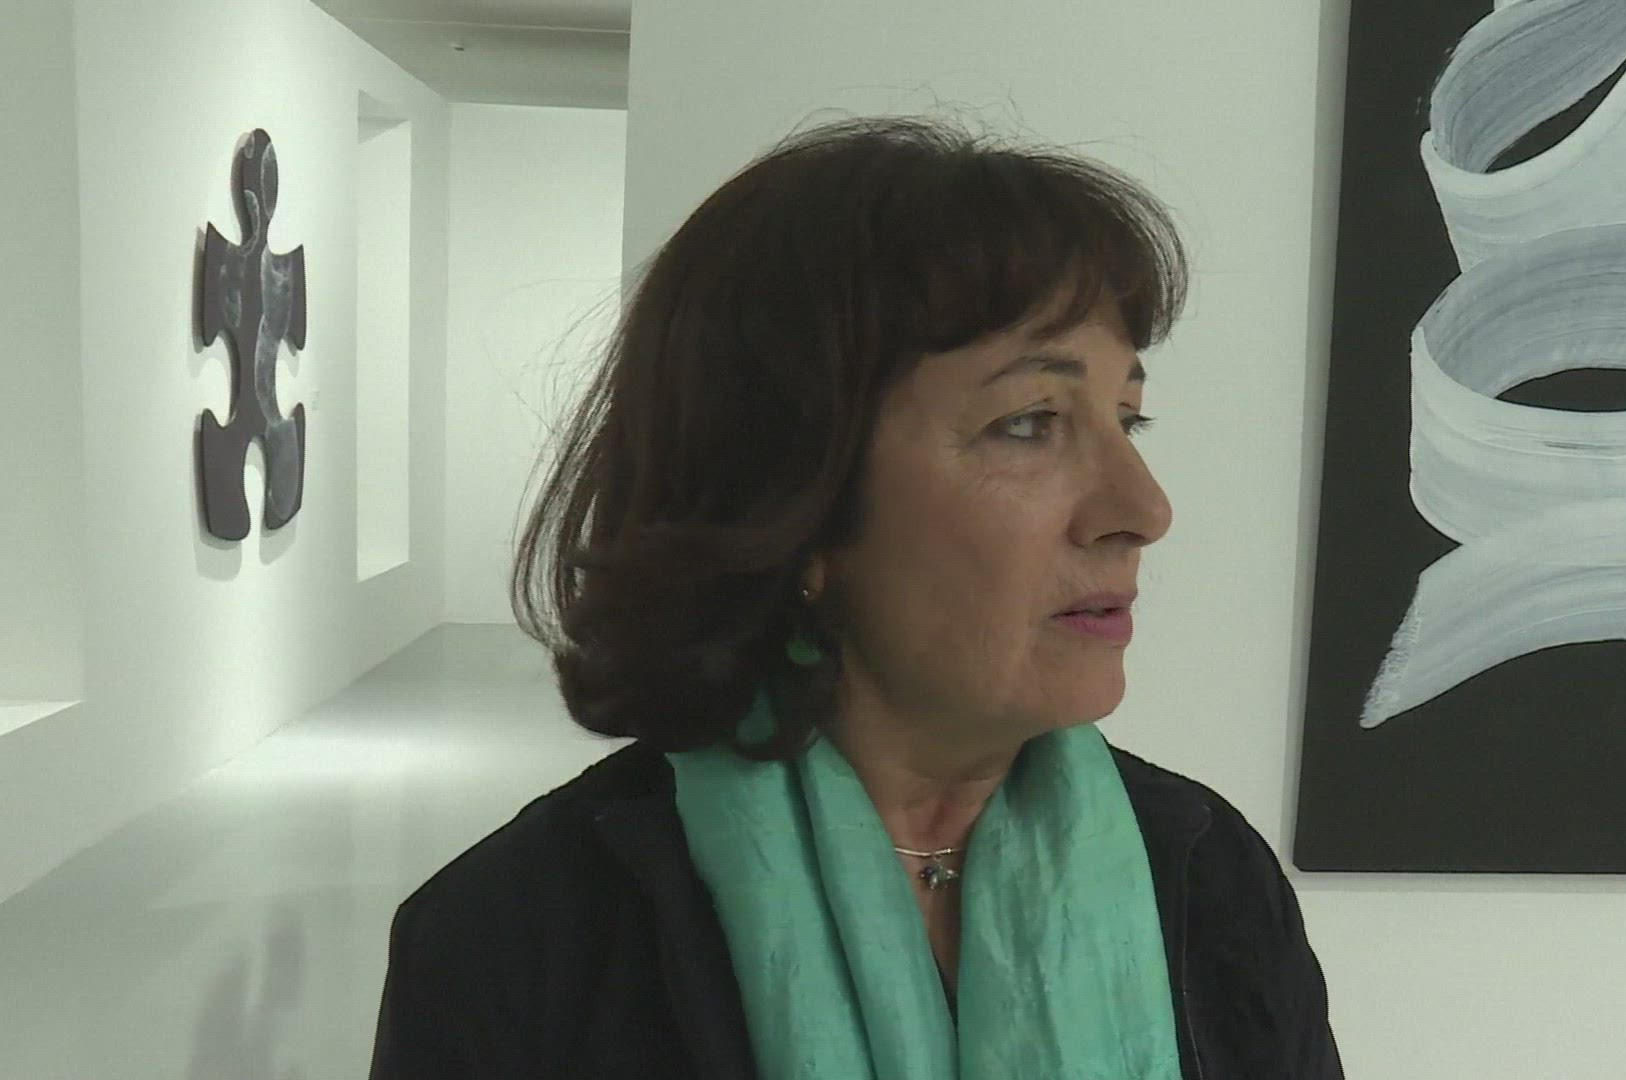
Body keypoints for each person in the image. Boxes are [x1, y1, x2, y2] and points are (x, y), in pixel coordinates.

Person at [368, 112, 1342, 1079]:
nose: (1143, 509)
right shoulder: (520, 940)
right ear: (794, 499)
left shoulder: (1209, 876)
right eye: (1029, 422)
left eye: (1129, 417)